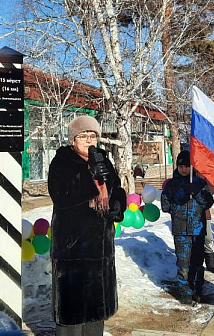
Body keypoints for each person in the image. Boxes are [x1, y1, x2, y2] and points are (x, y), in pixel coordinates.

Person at [47, 115, 127, 335]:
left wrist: (118, 204)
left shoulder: (103, 159)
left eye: (93, 135)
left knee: (96, 310)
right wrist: (87, 177)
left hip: (100, 247)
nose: (89, 140)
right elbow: (60, 196)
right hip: (74, 246)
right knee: (72, 312)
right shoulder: (63, 161)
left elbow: (117, 187)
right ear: (74, 139)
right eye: (84, 135)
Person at [161, 150, 214, 304]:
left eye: (187, 166)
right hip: (180, 230)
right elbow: (165, 206)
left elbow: (208, 203)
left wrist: (196, 193)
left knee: (197, 262)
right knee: (183, 263)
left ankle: (197, 289)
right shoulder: (172, 184)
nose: (184, 169)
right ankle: (184, 291)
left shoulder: (199, 183)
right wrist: (179, 198)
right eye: (181, 166)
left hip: (197, 229)